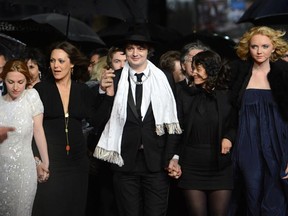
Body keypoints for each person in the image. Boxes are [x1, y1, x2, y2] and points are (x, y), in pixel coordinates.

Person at [93, 26, 182, 216]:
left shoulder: (164, 78)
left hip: (157, 162)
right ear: (125, 51)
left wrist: (171, 157)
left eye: (140, 48)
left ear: (148, 51)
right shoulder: (114, 78)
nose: (135, 53)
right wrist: (106, 94)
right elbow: (97, 122)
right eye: (131, 48)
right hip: (124, 161)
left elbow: (174, 119)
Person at [32, 41, 105, 216]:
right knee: (49, 208)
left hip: (78, 162)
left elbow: (98, 121)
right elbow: (32, 129)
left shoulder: (82, 90)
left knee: (74, 208)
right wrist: (37, 160)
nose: (56, 65)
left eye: (61, 61)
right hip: (50, 159)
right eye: (52, 61)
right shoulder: (40, 89)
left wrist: (104, 93)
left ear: (72, 63)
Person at [168, 50, 236, 216]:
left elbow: (235, 123)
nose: (194, 72)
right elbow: (177, 129)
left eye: (198, 67)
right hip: (191, 166)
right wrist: (174, 158)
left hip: (221, 167)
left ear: (211, 69)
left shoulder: (227, 95)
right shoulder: (185, 94)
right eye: (193, 67)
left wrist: (229, 137)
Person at [229, 26, 288, 215]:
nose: (259, 51)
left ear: (274, 47)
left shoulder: (284, 73)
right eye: (254, 46)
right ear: (248, 47)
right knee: (251, 193)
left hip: (278, 142)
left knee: (275, 197)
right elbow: (229, 110)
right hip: (247, 142)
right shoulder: (238, 72)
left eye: (264, 46)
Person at [0, 59, 49, 216]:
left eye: (20, 82)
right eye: (10, 82)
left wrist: (45, 163)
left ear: (27, 80)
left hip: (24, 170)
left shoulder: (31, 97)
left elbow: (39, 131)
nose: (15, 87)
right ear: (3, 80)